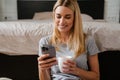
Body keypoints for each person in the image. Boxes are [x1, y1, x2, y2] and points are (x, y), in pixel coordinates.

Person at [37, 0, 100, 80]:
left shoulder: (87, 40)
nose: (62, 22)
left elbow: (96, 77)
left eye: (67, 17)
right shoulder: (47, 43)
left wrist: (75, 70)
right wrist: (42, 68)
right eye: (58, 16)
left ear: (75, 19)